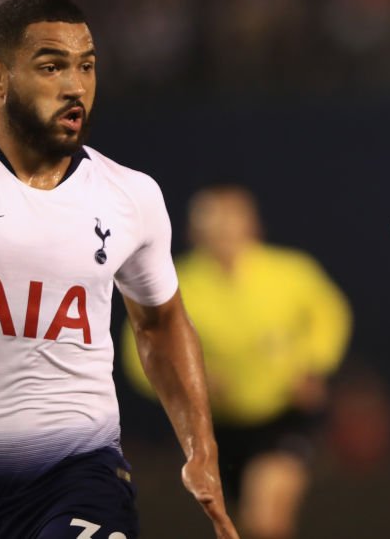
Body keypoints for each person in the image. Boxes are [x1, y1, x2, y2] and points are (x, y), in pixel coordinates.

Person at [0, 0, 238, 538]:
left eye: (87, 66)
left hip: (82, 475)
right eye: (52, 66)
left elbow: (161, 322)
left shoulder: (131, 195)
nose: (75, 86)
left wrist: (201, 448)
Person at [122, 186, 351, 539]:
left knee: (268, 513)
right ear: (193, 230)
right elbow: (140, 348)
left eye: (232, 218)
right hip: (213, 427)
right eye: (213, 221)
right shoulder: (176, 283)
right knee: (236, 526)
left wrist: (314, 366)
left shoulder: (291, 272)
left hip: (282, 415)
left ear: (252, 224)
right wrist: (188, 382)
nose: (224, 230)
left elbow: (330, 315)